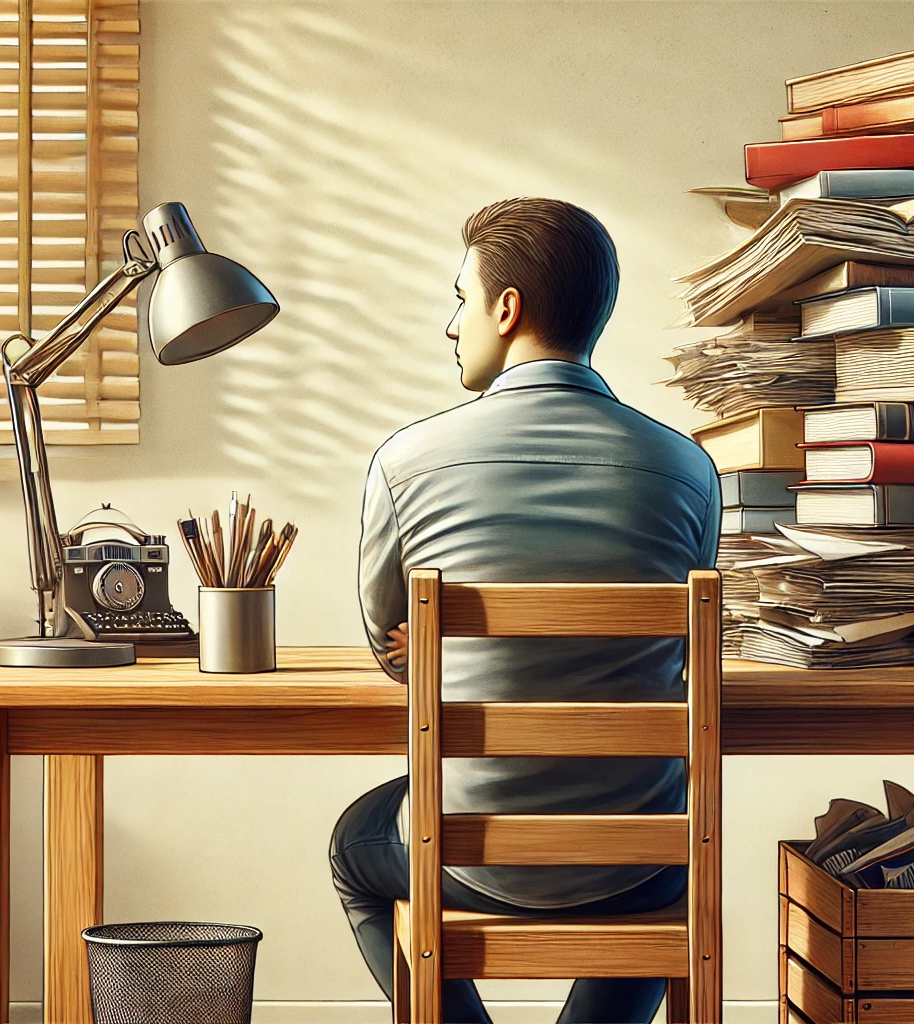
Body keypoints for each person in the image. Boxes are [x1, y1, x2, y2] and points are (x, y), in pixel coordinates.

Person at [330, 197, 721, 1024]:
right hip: (638, 861)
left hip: (471, 857)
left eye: (460, 298)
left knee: (353, 845)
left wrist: (429, 647)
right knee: (673, 843)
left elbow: (391, 649)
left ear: (508, 309)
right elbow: (675, 653)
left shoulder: (406, 463)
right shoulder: (688, 470)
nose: (451, 324)